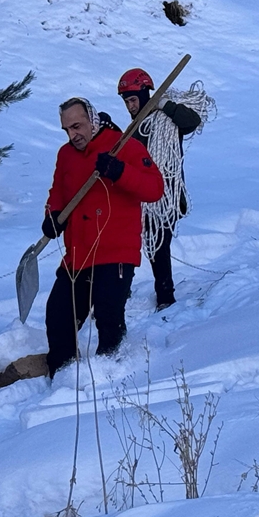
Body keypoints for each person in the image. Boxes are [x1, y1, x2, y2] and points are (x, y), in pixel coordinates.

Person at [42, 98, 163, 375]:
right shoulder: (66, 155)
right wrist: (53, 215)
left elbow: (154, 189)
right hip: (78, 255)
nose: (73, 135)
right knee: (59, 316)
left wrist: (120, 172)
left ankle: (111, 374)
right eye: (67, 130)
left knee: (108, 316)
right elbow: (58, 191)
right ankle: (62, 376)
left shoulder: (125, 146)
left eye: (77, 126)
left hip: (115, 251)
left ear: (93, 120)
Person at [118, 68, 201, 310]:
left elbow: (192, 121)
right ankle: (122, 291)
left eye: (133, 100)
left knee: (159, 244)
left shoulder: (167, 121)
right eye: (126, 102)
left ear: (146, 95)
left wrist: (165, 105)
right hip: (141, 195)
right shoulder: (135, 130)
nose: (130, 107)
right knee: (130, 242)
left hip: (168, 196)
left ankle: (165, 296)